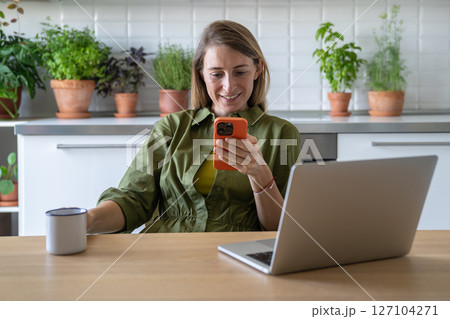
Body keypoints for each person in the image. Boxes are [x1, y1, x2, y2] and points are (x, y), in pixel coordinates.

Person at [87, 20, 301, 234]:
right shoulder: (171, 127)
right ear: (201, 74)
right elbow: (131, 198)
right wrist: (86, 220)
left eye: (240, 72)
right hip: (166, 250)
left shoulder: (282, 133)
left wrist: (260, 175)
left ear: (258, 69)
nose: (229, 86)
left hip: (238, 254)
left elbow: (281, 230)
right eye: (217, 74)